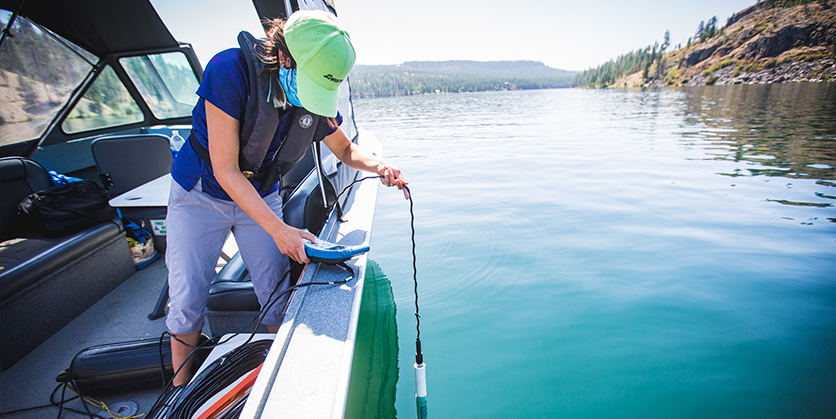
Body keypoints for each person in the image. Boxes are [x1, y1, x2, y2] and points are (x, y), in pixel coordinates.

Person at [165, 9, 408, 387]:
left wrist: (380, 166)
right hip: (201, 192)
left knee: (276, 292)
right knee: (186, 299)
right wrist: (280, 230)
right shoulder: (228, 71)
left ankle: (271, 380)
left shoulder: (312, 95)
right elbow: (225, 170)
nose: (312, 97)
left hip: (262, 191)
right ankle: (179, 393)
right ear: (284, 57)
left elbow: (345, 151)